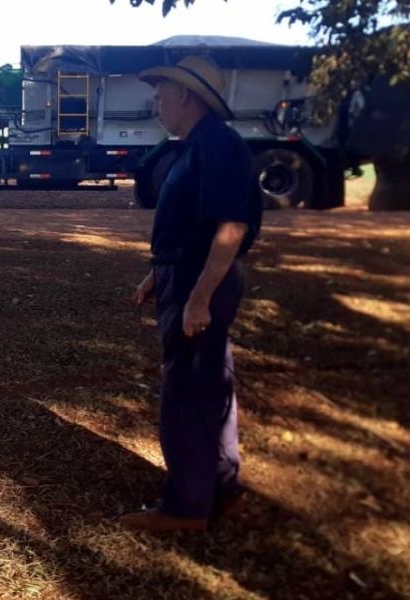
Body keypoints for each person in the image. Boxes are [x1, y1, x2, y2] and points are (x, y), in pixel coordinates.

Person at [120, 56, 262, 532]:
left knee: (185, 392)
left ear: (185, 95)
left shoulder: (216, 145)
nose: (157, 104)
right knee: (210, 383)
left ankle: (185, 508)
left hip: (203, 282)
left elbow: (231, 226)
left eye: (162, 95)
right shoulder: (199, 145)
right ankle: (222, 489)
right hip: (187, 275)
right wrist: (158, 274)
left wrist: (198, 297)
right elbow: (191, 228)